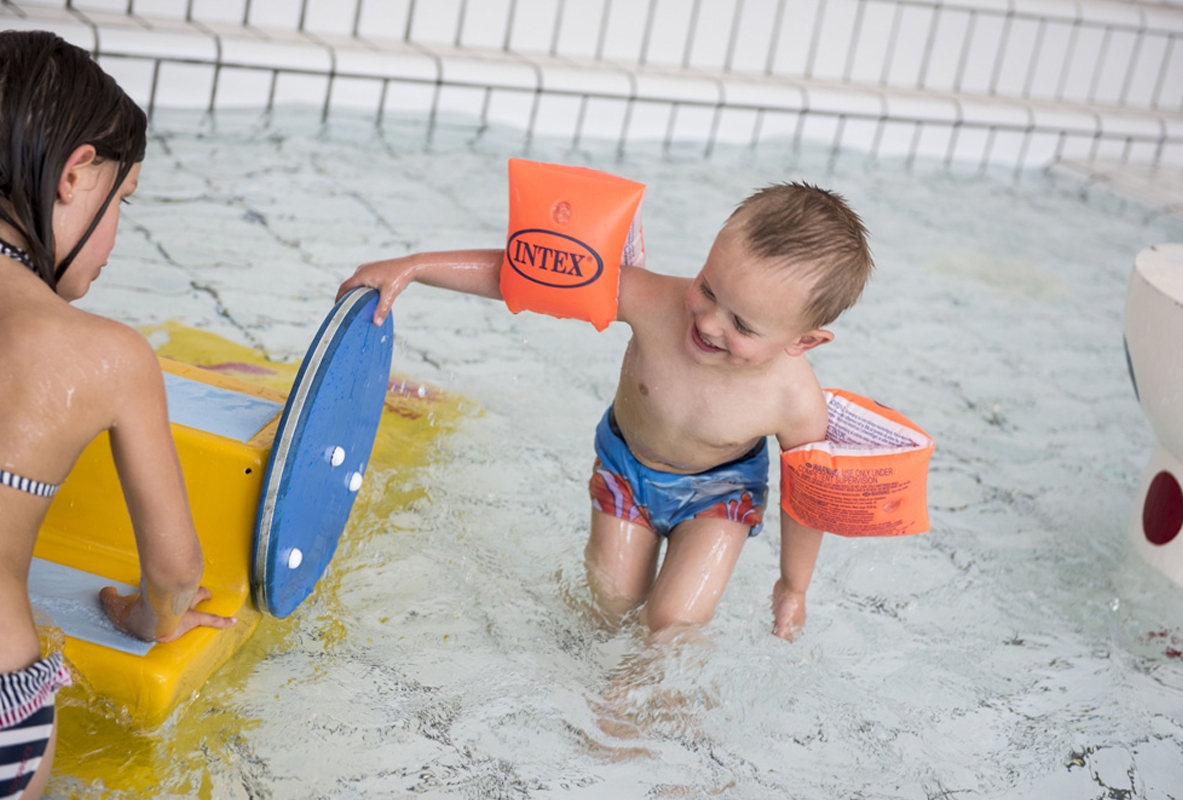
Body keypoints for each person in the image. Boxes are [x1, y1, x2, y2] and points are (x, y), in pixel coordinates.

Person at [338, 180, 872, 643]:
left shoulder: (793, 400)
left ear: (804, 341)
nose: (710, 323)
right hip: (625, 471)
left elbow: (806, 505)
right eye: (708, 289)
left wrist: (793, 586)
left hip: (720, 493)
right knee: (609, 610)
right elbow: (529, 277)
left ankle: (651, 710)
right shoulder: (653, 301)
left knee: (673, 624)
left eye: (743, 325)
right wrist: (415, 267)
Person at [0, 30, 236, 800]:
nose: (117, 235)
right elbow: (176, 572)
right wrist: (147, 617)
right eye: (122, 200)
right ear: (74, 175)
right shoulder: (108, 357)